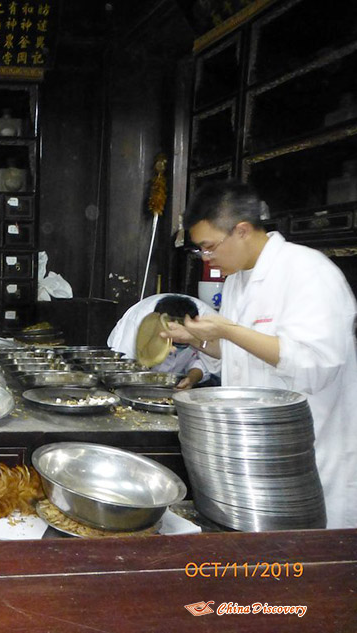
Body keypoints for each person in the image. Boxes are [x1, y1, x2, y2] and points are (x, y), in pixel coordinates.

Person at [164, 181, 357, 529]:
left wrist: (227, 329)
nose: (207, 258)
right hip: (258, 453)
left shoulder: (307, 272)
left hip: (310, 459)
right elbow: (242, 355)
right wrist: (196, 339)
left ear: (241, 230)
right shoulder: (238, 281)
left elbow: (315, 366)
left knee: (310, 569)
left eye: (209, 247)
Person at [108, 293, 220, 388]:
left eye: (182, 340)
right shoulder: (136, 322)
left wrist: (191, 379)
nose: (174, 349)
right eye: (172, 341)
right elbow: (122, 367)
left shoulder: (209, 325)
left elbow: (206, 362)